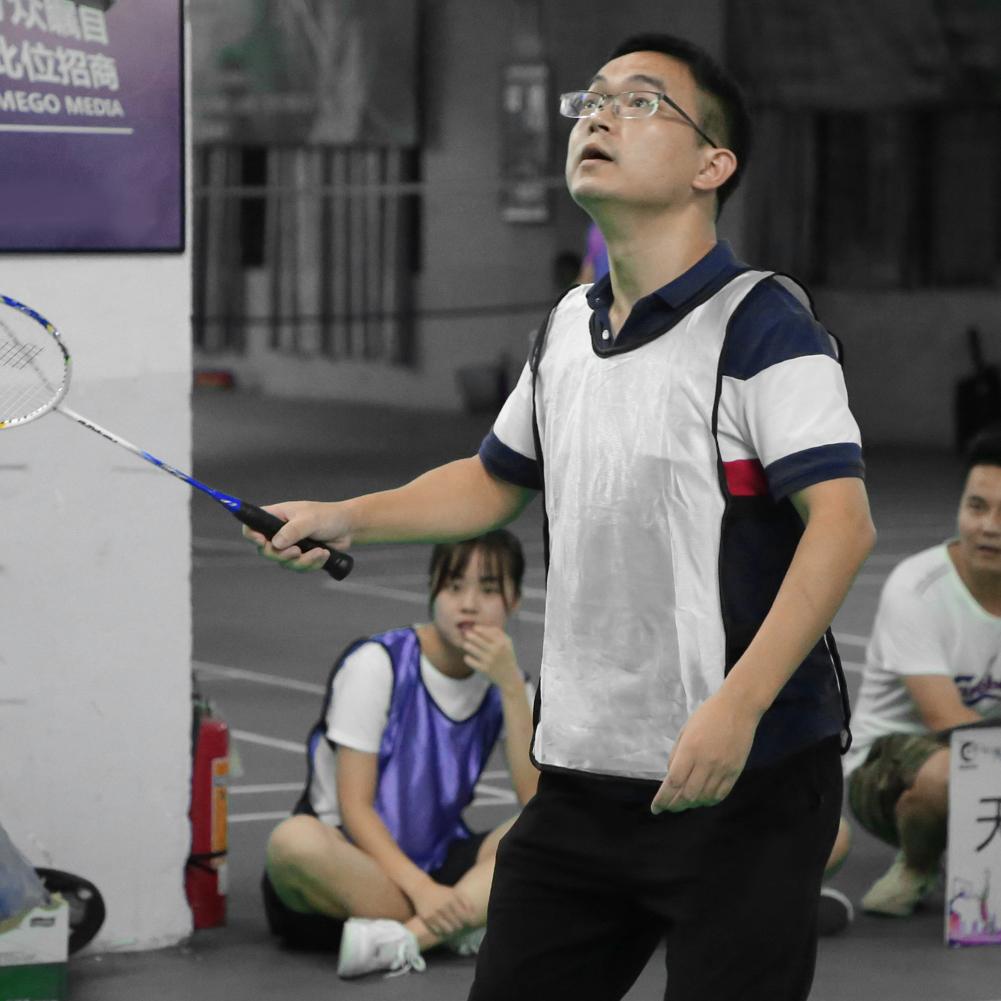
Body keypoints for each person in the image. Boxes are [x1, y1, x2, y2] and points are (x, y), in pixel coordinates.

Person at [242, 32, 875, 1001]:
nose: (598, 115)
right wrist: (348, 515)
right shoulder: (568, 328)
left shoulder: (763, 328)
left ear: (714, 163)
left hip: (741, 776)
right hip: (582, 782)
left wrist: (736, 706)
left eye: (640, 102)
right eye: (593, 99)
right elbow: (494, 481)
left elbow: (839, 523)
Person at [261, 531, 538, 978]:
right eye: (454, 587)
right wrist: (424, 890)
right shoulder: (378, 664)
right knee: (292, 841)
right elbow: (354, 807)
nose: (469, 604)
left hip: (440, 862)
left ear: (516, 600)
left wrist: (510, 687)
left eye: (488, 590)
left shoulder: (510, 686)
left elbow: (535, 802)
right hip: (353, 868)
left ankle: (405, 940)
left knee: (547, 828)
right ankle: (462, 920)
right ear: (432, 589)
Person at [844, 427, 1001, 917]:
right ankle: (917, 864)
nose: (989, 527)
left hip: (992, 760)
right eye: (977, 507)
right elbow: (949, 723)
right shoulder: (918, 588)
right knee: (949, 775)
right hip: (889, 765)